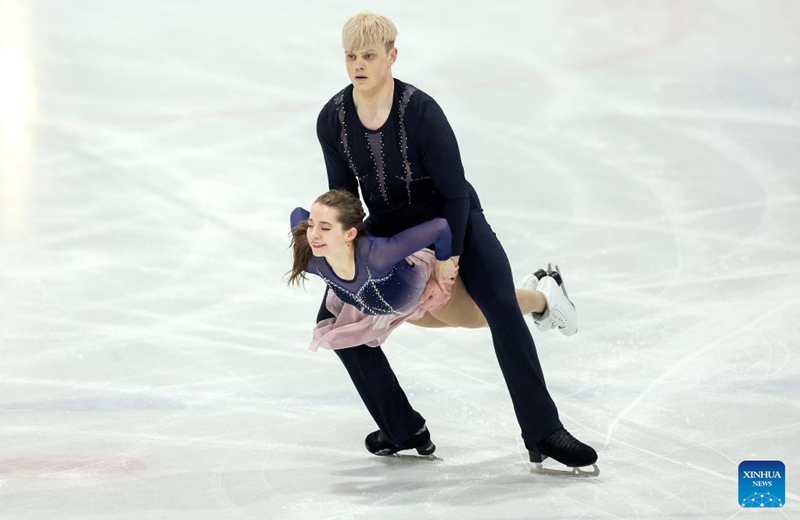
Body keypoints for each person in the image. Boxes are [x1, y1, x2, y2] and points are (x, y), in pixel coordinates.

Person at [313, 11, 598, 474]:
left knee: (498, 309)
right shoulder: (334, 120)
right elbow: (347, 199)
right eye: (350, 56)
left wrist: (449, 258)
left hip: (454, 218)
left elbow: (455, 192)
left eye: (368, 55)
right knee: (339, 321)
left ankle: (544, 430)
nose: (358, 65)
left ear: (391, 56)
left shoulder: (419, 112)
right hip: (392, 232)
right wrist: (344, 252)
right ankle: (402, 426)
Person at [288, 189, 575, 353]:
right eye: (313, 226)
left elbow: (440, 227)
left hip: (423, 286)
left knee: (476, 317)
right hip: (398, 308)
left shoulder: (378, 255)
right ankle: (527, 294)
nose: (314, 234)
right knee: (456, 322)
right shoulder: (314, 260)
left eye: (325, 228)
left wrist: (444, 263)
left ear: (350, 234)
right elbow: (297, 215)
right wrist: (318, 221)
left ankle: (545, 298)